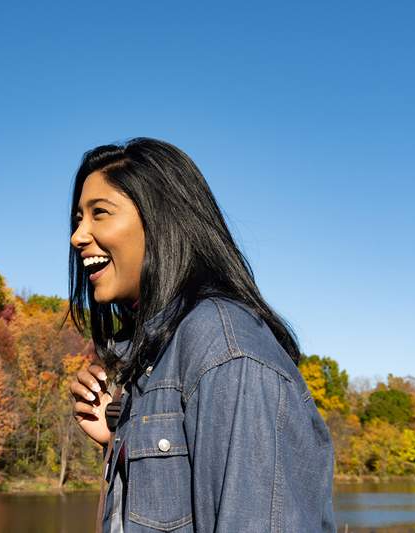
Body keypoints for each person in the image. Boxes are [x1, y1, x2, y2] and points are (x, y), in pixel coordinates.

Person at [67, 138, 336, 532]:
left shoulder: (225, 349)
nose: (78, 236)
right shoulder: (155, 357)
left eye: (99, 214)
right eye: (78, 219)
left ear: (161, 220)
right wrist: (114, 441)